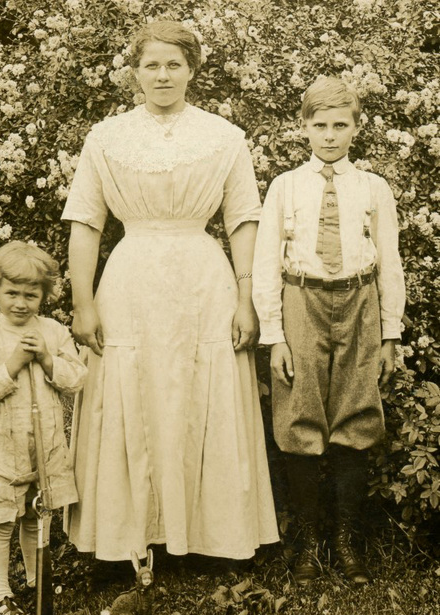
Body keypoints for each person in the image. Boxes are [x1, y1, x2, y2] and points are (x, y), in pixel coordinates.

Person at [62, 20, 279, 563]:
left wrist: (246, 297)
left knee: (199, 386)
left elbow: (243, 220)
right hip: (130, 279)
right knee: (129, 387)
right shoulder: (106, 136)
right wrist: (83, 302)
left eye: (173, 64)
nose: (162, 75)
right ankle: (123, 535)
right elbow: (85, 222)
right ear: (134, 72)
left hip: (203, 280)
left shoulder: (223, 136)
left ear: (192, 70)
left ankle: (211, 537)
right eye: (151, 65)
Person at [252, 76, 405, 585]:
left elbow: (391, 264)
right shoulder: (285, 186)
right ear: (304, 128)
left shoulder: (372, 188)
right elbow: (267, 261)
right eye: (320, 125)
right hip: (302, 298)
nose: (330, 135)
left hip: (359, 298)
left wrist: (389, 333)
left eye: (341, 125)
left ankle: (347, 542)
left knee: (356, 411)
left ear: (356, 129)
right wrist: (273, 335)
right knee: (299, 413)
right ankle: (306, 544)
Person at [0, 241, 87, 615]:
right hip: (0, 449)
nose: (20, 302)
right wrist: (12, 365)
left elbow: (76, 378)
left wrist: (47, 359)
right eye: (11, 292)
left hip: (42, 446)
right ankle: (1, 593)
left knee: (35, 516)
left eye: (31, 295)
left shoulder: (53, 330)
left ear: (45, 296)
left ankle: (35, 580)